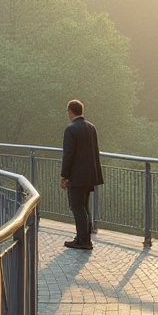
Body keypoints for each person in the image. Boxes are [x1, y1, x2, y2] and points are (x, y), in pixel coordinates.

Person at [60, 99, 103, 250]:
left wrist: (64, 176)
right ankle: (85, 238)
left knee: (77, 206)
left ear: (70, 112)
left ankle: (82, 240)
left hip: (76, 176)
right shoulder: (91, 127)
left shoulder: (70, 129)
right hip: (90, 175)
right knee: (84, 206)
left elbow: (69, 155)